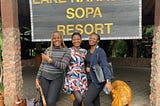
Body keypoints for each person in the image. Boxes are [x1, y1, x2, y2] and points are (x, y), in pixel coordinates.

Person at [36, 31, 71, 106]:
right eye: (54, 38)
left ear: (61, 39)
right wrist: (37, 78)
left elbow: (63, 66)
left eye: (58, 38)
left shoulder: (66, 51)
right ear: (52, 40)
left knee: (51, 102)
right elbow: (42, 64)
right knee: (43, 100)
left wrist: (50, 60)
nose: (56, 40)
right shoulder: (48, 50)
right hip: (44, 77)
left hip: (57, 78)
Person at [83, 32, 112, 106]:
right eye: (90, 38)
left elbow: (104, 66)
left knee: (87, 100)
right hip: (89, 79)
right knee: (95, 100)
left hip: (97, 80)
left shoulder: (100, 51)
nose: (91, 39)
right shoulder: (88, 51)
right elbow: (87, 63)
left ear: (97, 41)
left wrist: (108, 81)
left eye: (94, 38)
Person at [64, 32, 88, 106]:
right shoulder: (68, 51)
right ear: (72, 41)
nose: (76, 41)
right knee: (79, 98)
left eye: (78, 39)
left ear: (81, 40)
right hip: (72, 78)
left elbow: (87, 64)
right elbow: (64, 65)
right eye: (74, 39)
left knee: (82, 99)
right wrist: (64, 82)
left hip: (82, 78)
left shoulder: (84, 51)